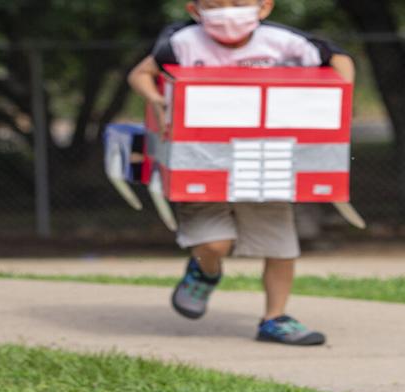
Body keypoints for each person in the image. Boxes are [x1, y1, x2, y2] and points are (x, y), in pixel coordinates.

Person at [126, 0, 355, 346]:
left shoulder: (285, 42)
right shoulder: (182, 42)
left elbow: (340, 61)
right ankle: (205, 270)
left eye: (238, 2)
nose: (227, 11)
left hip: (270, 162)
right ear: (194, 9)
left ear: (264, 7)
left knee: (280, 248)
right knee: (214, 244)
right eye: (215, 4)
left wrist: (340, 100)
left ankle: (274, 319)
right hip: (200, 160)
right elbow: (140, 73)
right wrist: (157, 102)